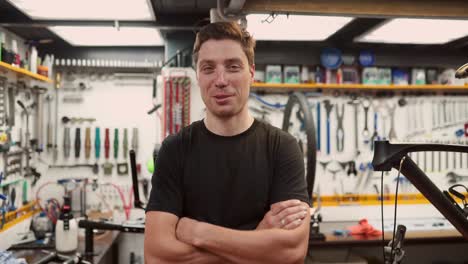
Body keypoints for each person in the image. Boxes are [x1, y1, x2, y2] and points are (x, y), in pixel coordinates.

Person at [144, 21, 311, 264]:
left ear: (251, 73)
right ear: (198, 76)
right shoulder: (174, 150)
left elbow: (291, 253)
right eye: (208, 68)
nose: (220, 80)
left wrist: (198, 233)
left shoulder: (282, 147)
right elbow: (157, 257)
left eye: (233, 67)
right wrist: (258, 238)